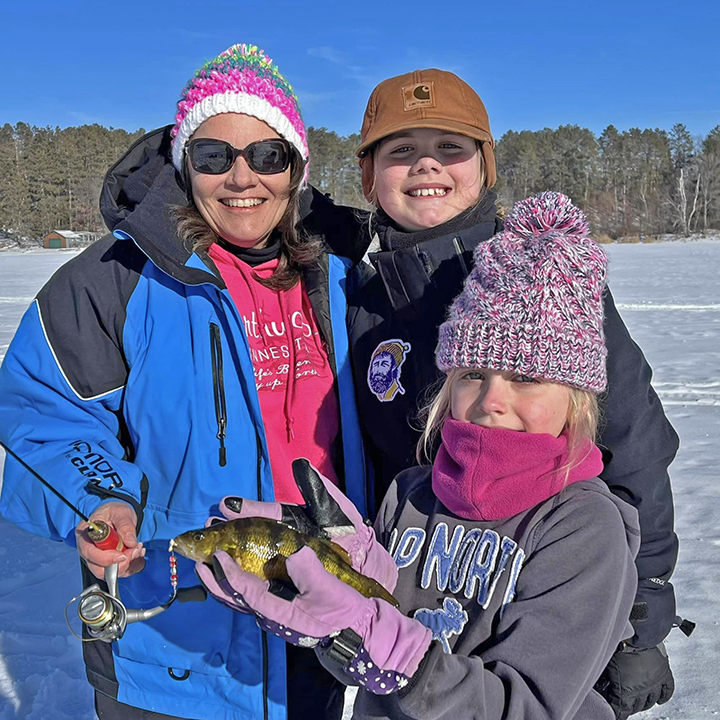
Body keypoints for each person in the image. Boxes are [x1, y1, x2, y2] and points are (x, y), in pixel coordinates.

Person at [0, 44, 366, 720]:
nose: (241, 177)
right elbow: (44, 419)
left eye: (266, 155)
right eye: (212, 155)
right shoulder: (112, 280)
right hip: (167, 636)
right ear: (183, 165)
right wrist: (100, 499)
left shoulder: (343, 278)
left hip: (319, 621)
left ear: (296, 169)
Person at [198, 192, 642, 720]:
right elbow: (375, 630)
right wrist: (348, 568)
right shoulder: (413, 493)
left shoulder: (582, 527)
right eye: (472, 374)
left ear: (576, 398)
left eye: (526, 378)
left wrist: (396, 654)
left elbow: (524, 708)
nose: (493, 401)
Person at [345, 69, 681, 719]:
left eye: (451, 147)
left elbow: (630, 434)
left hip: (550, 597)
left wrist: (642, 610)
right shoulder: (360, 300)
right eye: (400, 150)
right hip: (430, 607)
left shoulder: (536, 277)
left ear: (485, 164)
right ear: (369, 174)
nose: (426, 166)